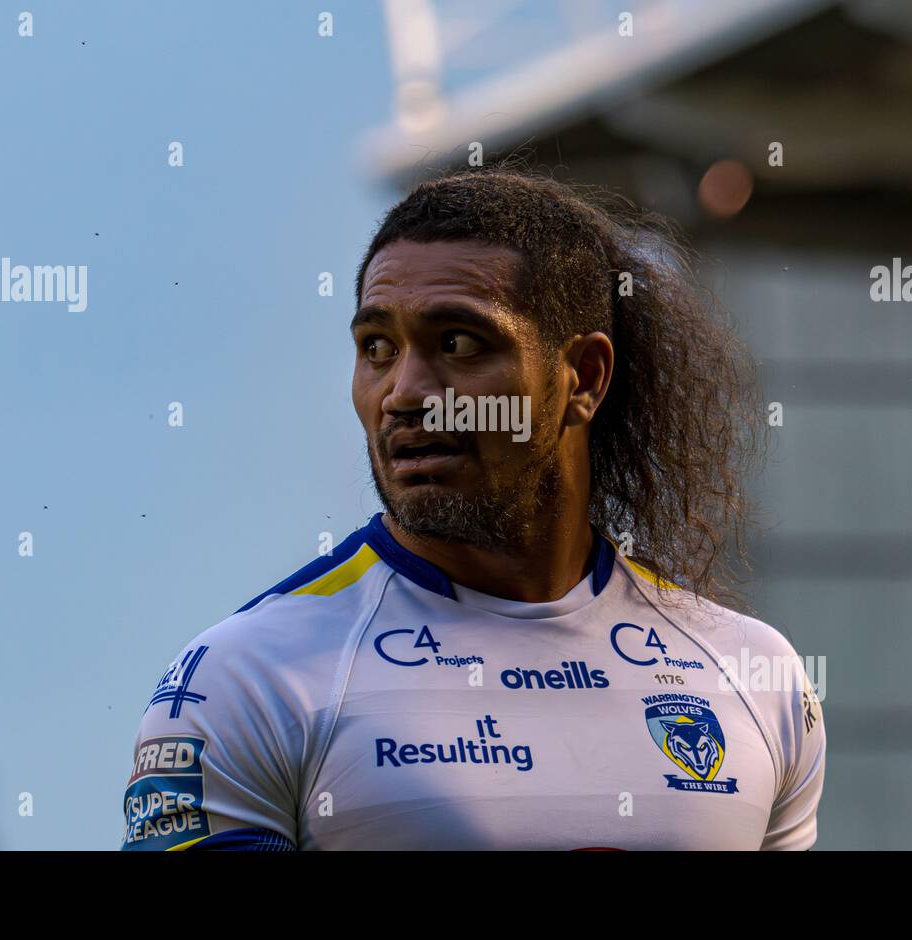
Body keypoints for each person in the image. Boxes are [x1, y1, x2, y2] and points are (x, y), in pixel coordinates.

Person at [121, 168, 824, 850]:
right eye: (377, 347)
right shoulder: (245, 679)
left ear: (584, 377)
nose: (404, 391)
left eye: (457, 342)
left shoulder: (753, 674)